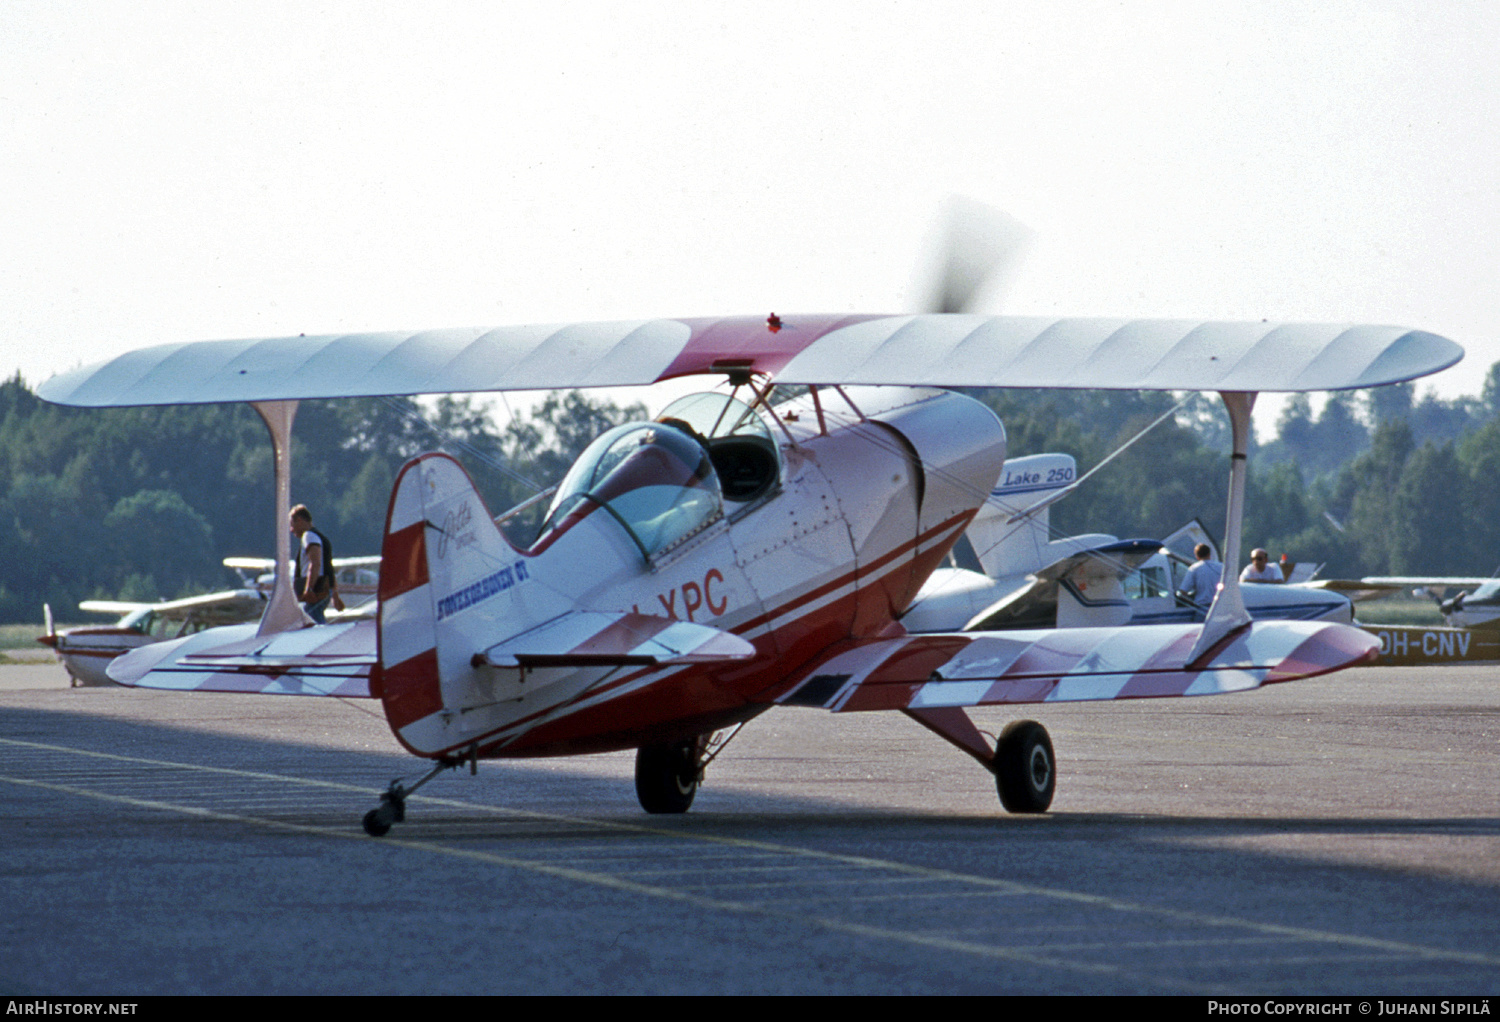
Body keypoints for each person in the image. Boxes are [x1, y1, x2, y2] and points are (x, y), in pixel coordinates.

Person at [290, 504, 344, 623]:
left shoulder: (309, 536)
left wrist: (309, 589)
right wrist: (334, 595)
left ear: (299, 520)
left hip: (316, 589)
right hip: (323, 588)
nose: (291, 529)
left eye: (292, 524)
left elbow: (315, 563)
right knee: (312, 615)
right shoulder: (321, 538)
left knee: (311, 618)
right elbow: (329, 569)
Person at [1176, 543, 1223, 620]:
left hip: (1202, 608)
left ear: (1197, 556)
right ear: (1209, 554)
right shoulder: (1221, 567)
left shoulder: (1194, 569)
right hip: (1220, 606)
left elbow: (1183, 591)